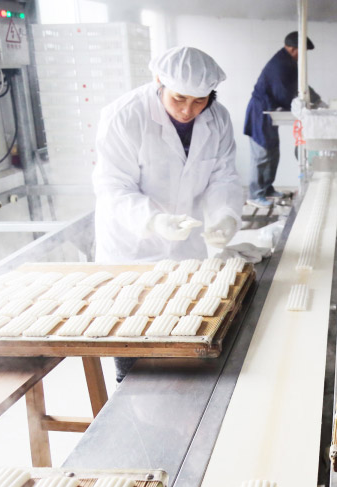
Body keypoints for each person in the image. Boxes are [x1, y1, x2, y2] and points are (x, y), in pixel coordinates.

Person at [93, 46, 244, 381]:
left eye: (199, 101)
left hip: (185, 254)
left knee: (183, 346)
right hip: (132, 253)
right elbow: (113, 188)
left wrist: (225, 215)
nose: (188, 110)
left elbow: (224, 176)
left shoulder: (218, 119)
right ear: (159, 81)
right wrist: (153, 220)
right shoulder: (125, 116)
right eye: (179, 99)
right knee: (135, 348)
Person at [243, 31, 322, 209]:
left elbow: (301, 86)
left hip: (270, 113)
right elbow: (284, 93)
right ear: (293, 49)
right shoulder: (280, 65)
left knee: (272, 152)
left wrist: (316, 99)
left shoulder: (290, 63)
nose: (303, 56)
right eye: (302, 52)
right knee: (261, 155)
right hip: (261, 112)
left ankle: (267, 188)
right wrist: (301, 106)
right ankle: (255, 194)